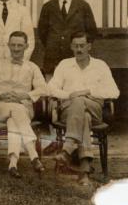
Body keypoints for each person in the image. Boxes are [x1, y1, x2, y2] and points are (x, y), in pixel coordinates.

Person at [48, 32, 119, 186]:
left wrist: (88, 92)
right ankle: (84, 170)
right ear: (71, 47)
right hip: (69, 109)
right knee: (83, 115)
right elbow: (51, 89)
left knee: (81, 103)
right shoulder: (64, 64)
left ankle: (67, 149)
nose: (79, 49)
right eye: (75, 46)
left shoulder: (100, 65)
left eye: (82, 46)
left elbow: (114, 92)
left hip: (94, 107)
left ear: (89, 46)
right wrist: (70, 94)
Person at [0, 31, 46, 177]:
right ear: (8, 46)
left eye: (20, 45)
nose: (16, 49)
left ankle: (13, 163)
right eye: (13, 45)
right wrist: (1, 95)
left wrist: (24, 95)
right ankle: (33, 155)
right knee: (15, 110)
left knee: (13, 121)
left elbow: (43, 88)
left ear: (26, 46)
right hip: (0, 107)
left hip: (23, 107)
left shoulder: (32, 67)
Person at [37, 0, 98, 76]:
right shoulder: (48, 7)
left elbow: (91, 32)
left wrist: (79, 47)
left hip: (76, 59)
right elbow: (42, 33)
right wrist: (54, 45)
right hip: (52, 61)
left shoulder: (83, 6)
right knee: (53, 91)